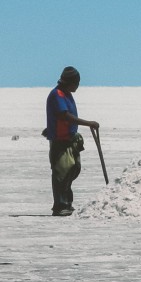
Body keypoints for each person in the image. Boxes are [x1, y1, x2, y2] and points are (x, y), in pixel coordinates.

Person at [44, 67, 99, 216]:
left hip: (69, 139)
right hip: (60, 141)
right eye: (77, 82)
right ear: (70, 82)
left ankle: (67, 203)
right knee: (62, 173)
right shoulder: (58, 95)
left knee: (72, 170)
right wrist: (88, 123)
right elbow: (64, 116)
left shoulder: (66, 94)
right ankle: (60, 205)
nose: (78, 86)